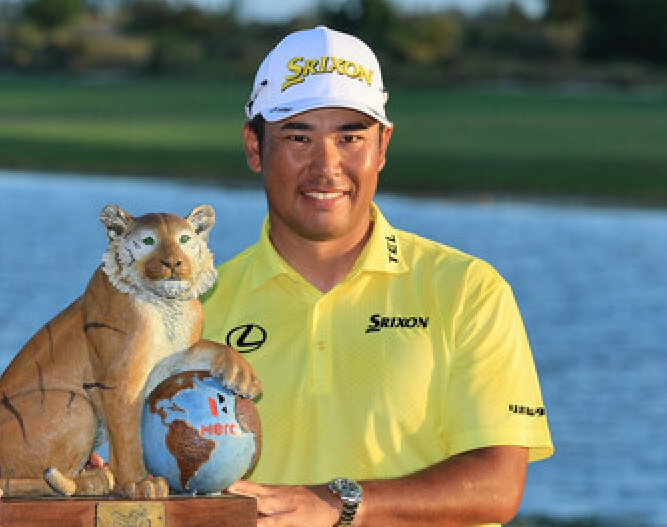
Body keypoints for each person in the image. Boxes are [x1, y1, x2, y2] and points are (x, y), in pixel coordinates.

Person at [200, 26, 553, 526]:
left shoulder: (467, 290)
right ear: (255, 147)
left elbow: (497, 484)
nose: (327, 166)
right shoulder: (196, 304)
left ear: (382, 146)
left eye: (350, 137)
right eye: (298, 137)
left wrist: (337, 504)